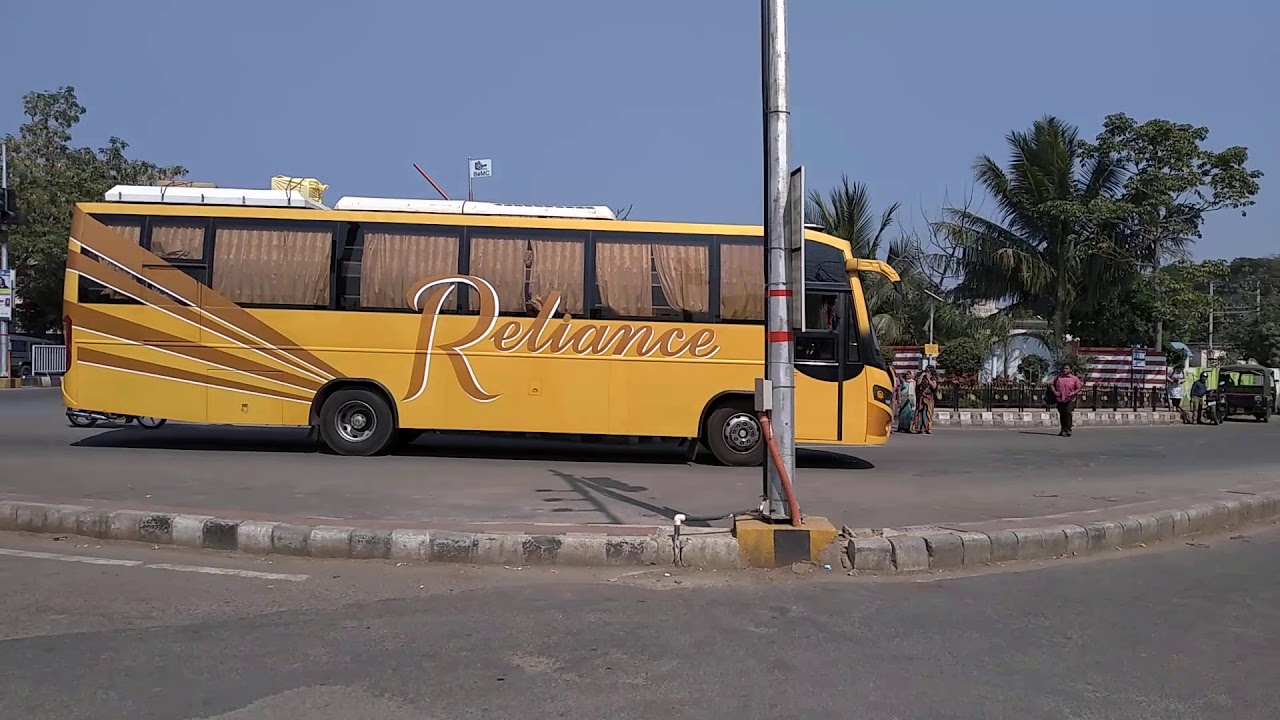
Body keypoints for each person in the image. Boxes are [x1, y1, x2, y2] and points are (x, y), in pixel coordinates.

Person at [1051, 363, 1084, 437]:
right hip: (1060, 399)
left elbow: (1079, 387)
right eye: (1064, 368)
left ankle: (1068, 429)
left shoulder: (1074, 378)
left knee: (1068, 412)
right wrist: (1055, 392)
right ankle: (1063, 429)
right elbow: (1051, 384)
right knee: (1062, 414)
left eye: (1066, 368)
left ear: (1070, 370)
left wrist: (1073, 393)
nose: (1064, 370)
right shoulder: (1058, 377)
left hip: (1070, 399)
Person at [912, 368, 937, 434]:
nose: (927, 373)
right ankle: (918, 428)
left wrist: (929, 379)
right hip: (921, 397)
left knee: (928, 414)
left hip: (928, 398)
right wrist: (922, 375)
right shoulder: (921, 378)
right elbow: (918, 383)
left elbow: (934, 386)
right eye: (926, 371)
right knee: (919, 413)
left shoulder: (933, 379)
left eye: (928, 372)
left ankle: (928, 428)